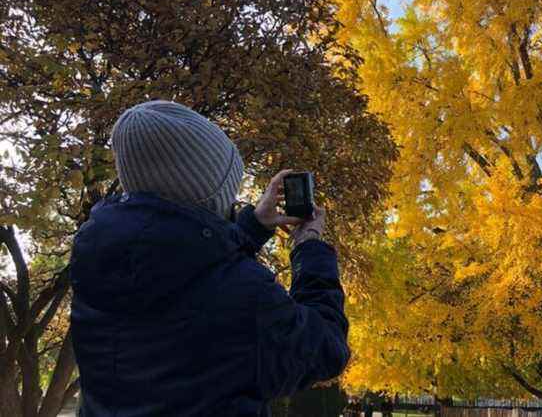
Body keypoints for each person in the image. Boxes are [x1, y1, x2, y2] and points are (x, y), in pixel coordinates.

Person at [69, 100, 350, 416]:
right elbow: (326, 347)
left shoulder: (94, 269)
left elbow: (188, 276)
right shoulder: (245, 296)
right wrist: (309, 248)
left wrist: (252, 227)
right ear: (206, 191)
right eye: (230, 185)